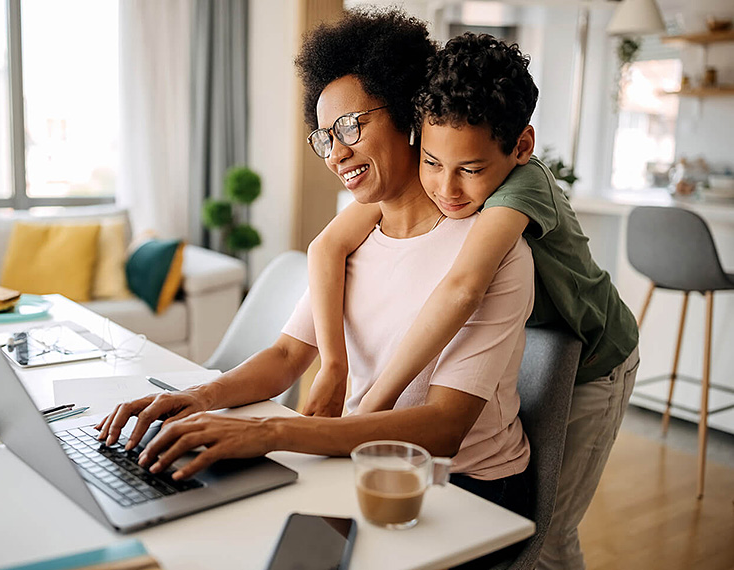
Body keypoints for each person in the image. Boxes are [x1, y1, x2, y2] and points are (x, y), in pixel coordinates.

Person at [96, 9, 535, 519]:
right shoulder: (354, 240)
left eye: (349, 127)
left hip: (467, 491)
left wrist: (275, 430)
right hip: (364, 461)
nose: (335, 154)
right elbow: (286, 356)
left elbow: (444, 426)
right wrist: (198, 397)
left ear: (409, 115)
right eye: (326, 137)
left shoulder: (494, 250)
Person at [303, 32, 640, 570]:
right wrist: (334, 367)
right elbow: (326, 245)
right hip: (534, 339)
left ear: (521, 148)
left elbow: (462, 287)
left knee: (552, 535)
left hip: (598, 362)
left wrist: (372, 403)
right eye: (433, 162)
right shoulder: (426, 181)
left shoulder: (522, 190)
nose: (446, 189)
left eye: (471, 170)